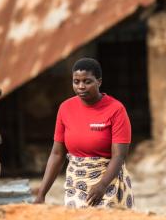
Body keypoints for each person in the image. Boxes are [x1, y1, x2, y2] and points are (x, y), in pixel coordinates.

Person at [34, 57, 134, 209]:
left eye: (87, 82)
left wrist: (102, 185)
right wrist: (41, 194)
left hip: (108, 182)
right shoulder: (65, 108)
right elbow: (57, 154)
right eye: (76, 81)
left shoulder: (116, 110)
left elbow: (119, 155)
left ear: (99, 82)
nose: (81, 86)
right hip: (75, 183)